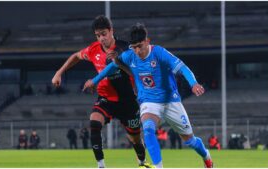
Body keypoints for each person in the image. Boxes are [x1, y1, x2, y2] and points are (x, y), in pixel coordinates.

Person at [83, 23, 214, 168]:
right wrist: (94, 81)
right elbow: (112, 67)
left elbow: (182, 67)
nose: (138, 50)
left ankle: (206, 156)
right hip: (149, 101)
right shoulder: (130, 55)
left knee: (190, 141)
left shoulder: (159, 53)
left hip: (171, 102)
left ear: (147, 41)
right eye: (134, 47)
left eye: (140, 45)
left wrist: (193, 83)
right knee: (148, 129)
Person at [51, 15, 151, 168]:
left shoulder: (126, 48)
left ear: (111, 31)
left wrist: (118, 62)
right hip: (106, 98)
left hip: (128, 101)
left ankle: (142, 162)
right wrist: (59, 72)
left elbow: (135, 72)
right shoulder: (93, 50)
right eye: (98, 35)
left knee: (135, 139)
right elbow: (75, 56)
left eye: (104, 34)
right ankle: (101, 165)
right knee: (94, 122)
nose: (101, 38)